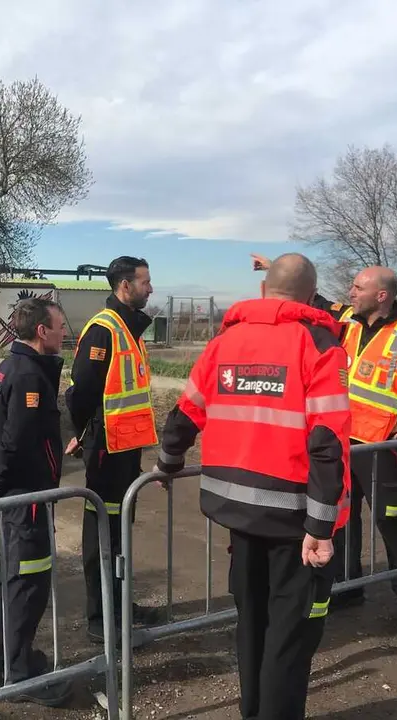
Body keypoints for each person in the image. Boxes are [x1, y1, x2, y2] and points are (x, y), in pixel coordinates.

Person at [156, 253, 352, 720]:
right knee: (291, 634)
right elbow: (327, 442)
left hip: (236, 512)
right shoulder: (320, 344)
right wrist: (322, 527)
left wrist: (168, 461)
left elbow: (186, 412)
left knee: (253, 626)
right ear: (310, 296)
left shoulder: (226, 340)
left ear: (265, 292)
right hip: (293, 521)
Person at [252, 255, 397, 638]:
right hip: (340, 445)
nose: (350, 292)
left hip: (381, 451)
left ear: (380, 296)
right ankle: (348, 588)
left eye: (357, 288)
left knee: (392, 524)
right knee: (340, 520)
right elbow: (309, 297)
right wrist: (274, 269)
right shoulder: (342, 319)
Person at [0, 297, 73, 706]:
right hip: (27, 498)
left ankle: (11, 662)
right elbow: (15, 439)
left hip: (19, 495)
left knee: (13, 581)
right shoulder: (29, 374)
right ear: (41, 331)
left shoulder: (9, 366)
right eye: (60, 326)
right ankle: (19, 677)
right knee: (27, 587)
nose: (65, 331)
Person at [64, 256, 163, 644]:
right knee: (102, 532)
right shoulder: (104, 330)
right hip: (107, 450)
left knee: (119, 532)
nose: (151, 289)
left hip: (125, 450)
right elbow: (82, 392)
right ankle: (101, 618)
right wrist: (84, 433)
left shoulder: (129, 328)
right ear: (125, 285)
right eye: (145, 282)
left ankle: (120, 603)